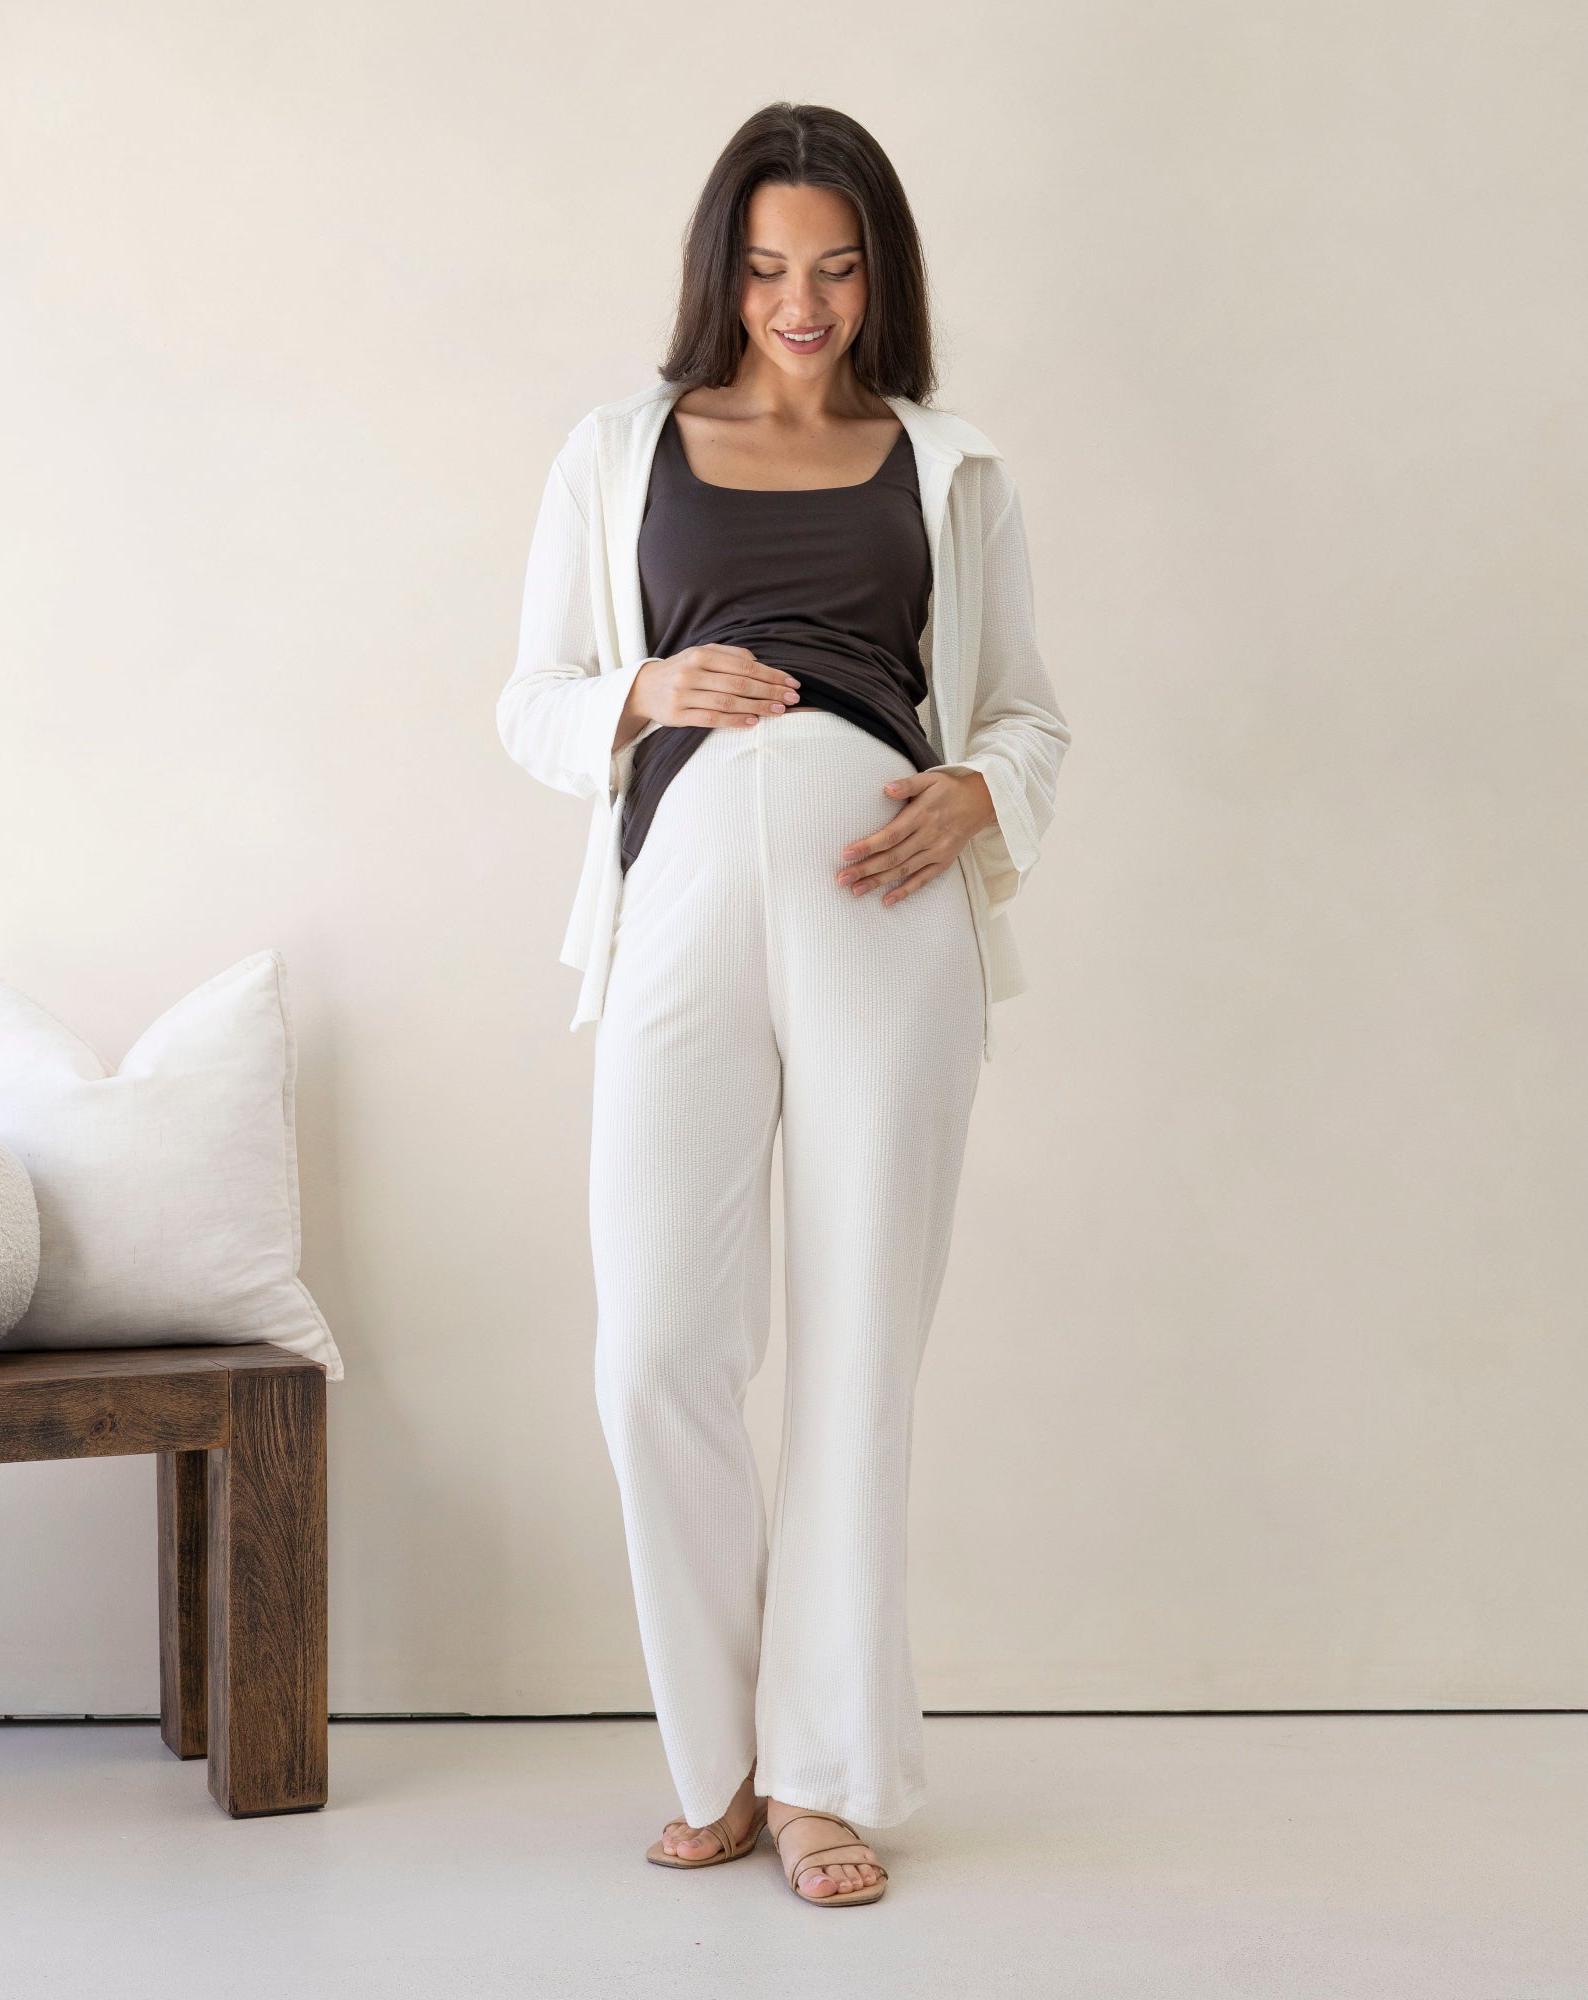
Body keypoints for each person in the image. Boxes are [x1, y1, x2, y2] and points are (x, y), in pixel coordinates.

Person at [496, 99, 1071, 1908]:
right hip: (676, 893)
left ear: (877, 272)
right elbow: (531, 695)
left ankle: (820, 1774)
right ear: (720, 274)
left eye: (833, 267)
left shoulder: (949, 467)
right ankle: (718, 1755)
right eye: (765, 268)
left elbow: (1031, 713)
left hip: (879, 906)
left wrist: (984, 792)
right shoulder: (619, 450)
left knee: (857, 1342)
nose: (799, 302)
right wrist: (645, 690)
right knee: (657, 1339)